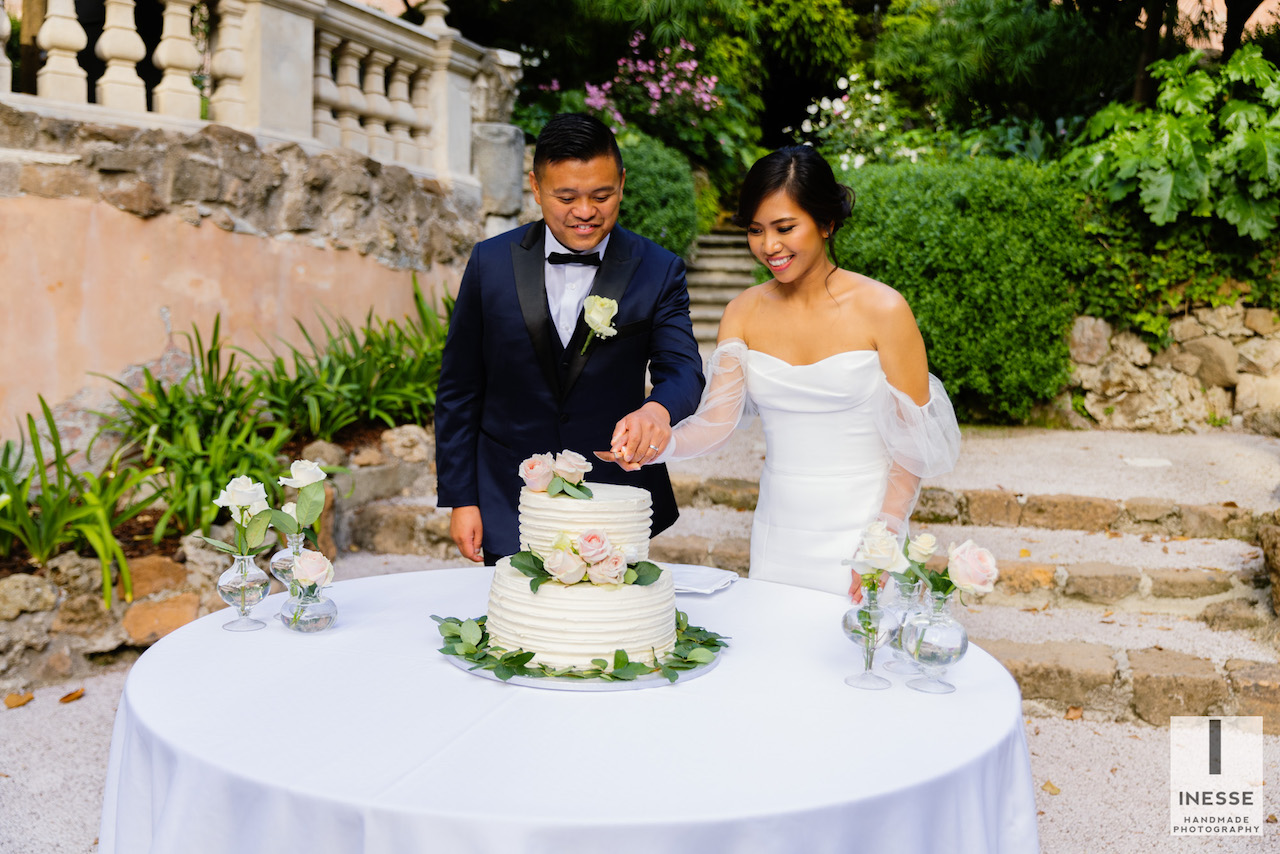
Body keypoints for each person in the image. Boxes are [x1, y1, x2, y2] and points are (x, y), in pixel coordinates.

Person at [612, 146, 960, 598]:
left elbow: (912, 439)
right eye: (756, 230)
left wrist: (886, 535)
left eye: (785, 227)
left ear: (826, 222)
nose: (769, 246)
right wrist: (659, 444)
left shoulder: (884, 309)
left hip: (863, 529)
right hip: (779, 531)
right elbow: (717, 423)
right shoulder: (742, 312)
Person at [434, 113, 705, 564]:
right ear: (536, 188)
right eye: (566, 197)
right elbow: (460, 388)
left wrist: (657, 410)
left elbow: (683, 370)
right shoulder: (489, 262)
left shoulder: (659, 269)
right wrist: (462, 497)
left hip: (614, 491)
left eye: (602, 195)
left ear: (622, 182)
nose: (585, 211)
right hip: (506, 491)